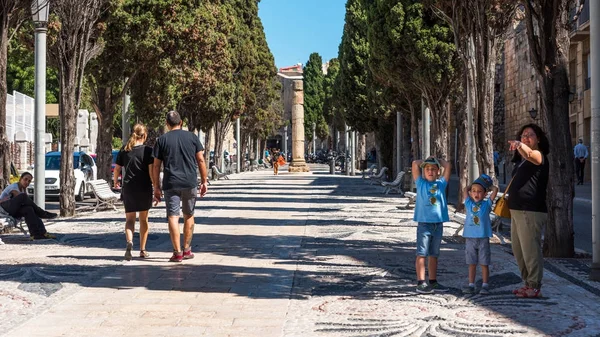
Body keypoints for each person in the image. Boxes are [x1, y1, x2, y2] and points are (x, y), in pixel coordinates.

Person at [153, 111, 208, 262]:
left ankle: (177, 253)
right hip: (190, 182)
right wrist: (204, 181)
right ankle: (187, 249)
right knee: (189, 214)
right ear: (181, 122)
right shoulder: (192, 137)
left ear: (167, 124)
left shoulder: (162, 140)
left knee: (173, 216)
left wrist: (156, 186)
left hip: (171, 183)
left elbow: (156, 166)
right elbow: (201, 160)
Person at [507, 123, 549, 298]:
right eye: (523, 135)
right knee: (519, 250)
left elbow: (532, 155)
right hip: (517, 211)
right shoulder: (522, 161)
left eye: (530, 135)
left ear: (538, 138)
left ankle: (534, 285)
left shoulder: (539, 155)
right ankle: (527, 283)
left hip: (530, 210)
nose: (526, 138)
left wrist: (519, 145)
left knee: (531, 250)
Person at [411, 156, 452, 294]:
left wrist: (438, 162)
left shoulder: (441, 184)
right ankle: (421, 282)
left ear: (438, 172)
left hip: (437, 225)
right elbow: (415, 163)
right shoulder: (420, 183)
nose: (430, 171)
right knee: (422, 253)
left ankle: (433, 281)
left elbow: (448, 166)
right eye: (427, 169)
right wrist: (426, 161)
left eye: (433, 169)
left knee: (434, 254)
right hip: (424, 225)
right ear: (424, 172)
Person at [114, 123, 155, 261]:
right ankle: (143, 250)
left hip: (129, 188)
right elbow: (151, 171)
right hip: (144, 187)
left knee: (129, 220)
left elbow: (117, 169)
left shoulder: (125, 149)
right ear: (144, 135)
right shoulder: (148, 151)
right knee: (144, 219)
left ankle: (129, 242)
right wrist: (155, 185)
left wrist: (115, 181)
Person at [461, 174, 498, 295]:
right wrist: (472, 185)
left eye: (480, 191)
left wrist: (487, 184)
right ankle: (471, 284)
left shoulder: (486, 205)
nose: (476, 194)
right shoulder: (468, 204)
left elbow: (495, 190)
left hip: (483, 238)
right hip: (470, 238)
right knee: (471, 262)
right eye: (474, 191)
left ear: (485, 193)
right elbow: (465, 189)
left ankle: (485, 285)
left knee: (484, 262)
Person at [0, 172, 57, 240]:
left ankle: (37, 234)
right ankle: (42, 213)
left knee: (29, 209)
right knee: (24, 197)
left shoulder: (23, 189)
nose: (27, 182)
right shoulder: (14, 187)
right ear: (20, 179)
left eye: (29, 181)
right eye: (25, 179)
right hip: (3, 209)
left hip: (12, 211)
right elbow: (20, 198)